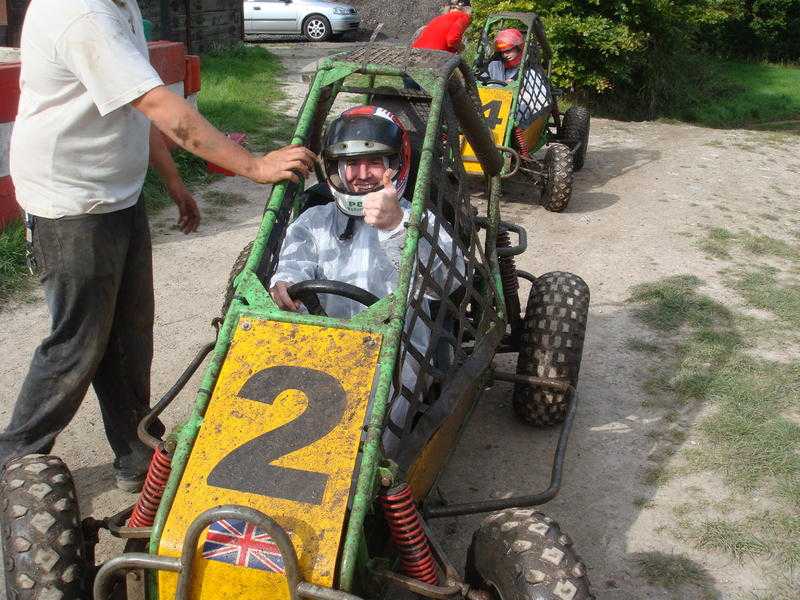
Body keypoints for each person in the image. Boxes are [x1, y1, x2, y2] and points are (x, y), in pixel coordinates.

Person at [0, 0, 316, 491]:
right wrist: (252, 165)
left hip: (114, 195)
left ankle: (135, 453)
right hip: (71, 204)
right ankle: (14, 458)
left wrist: (172, 182)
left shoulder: (118, 6)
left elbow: (131, 104)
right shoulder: (81, 13)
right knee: (77, 342)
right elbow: (158, 104)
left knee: (130, 334)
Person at [269, 105, 463, 455]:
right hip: (321, 339)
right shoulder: (315, 220)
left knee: (363, 440)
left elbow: (449, 282)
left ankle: (370, 483)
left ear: (395, 165)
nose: (361, 175)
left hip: (396, 347)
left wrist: (395, 229)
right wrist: (286, 283)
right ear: (335, 169)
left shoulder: (418, 220)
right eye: (350, 163)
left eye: (373, 162)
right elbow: (293, 264)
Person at [486, 27, 551, 133]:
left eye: (508, 50)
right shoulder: (495, 67)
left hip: (520, 118)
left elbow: (541, 101)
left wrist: (520, 90)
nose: (505, 55)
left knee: (524, 99)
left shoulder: (530, 72)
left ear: (518, 48)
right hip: (494, 114)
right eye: (502, 52)